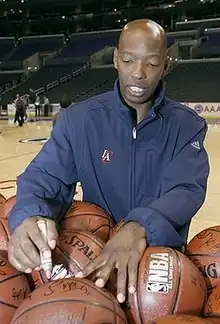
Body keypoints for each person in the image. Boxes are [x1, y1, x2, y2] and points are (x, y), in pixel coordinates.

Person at [8, 19, 209, 304]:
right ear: (116, 59)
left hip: (159, 269)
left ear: (165, 66)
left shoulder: (187, 126)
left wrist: (138, 227)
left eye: (151, 64)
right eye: (128, 60)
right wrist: (29, 214)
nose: (138, 74)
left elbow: (186, 189)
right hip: (91, 261)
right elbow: (45, 177)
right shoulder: (78, 121)